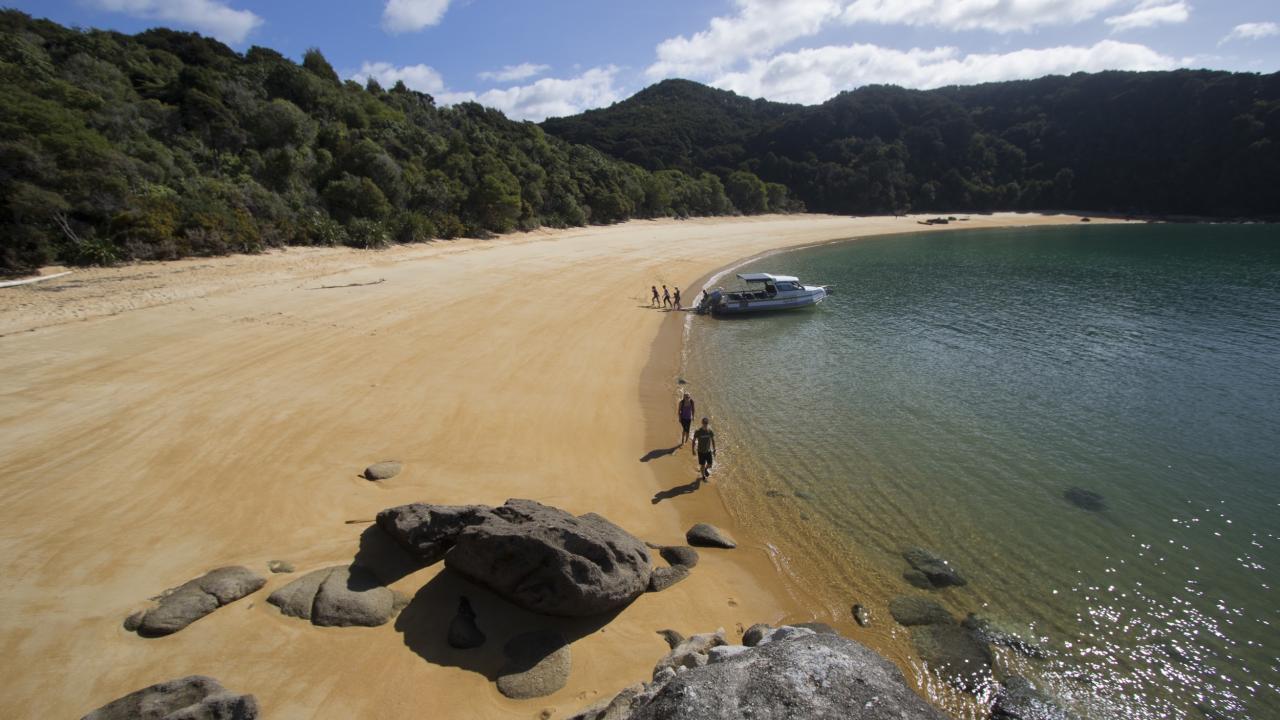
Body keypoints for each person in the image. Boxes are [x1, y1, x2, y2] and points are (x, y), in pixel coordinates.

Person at [692, 417, 716, 481]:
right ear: (702, 423)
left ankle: (705, 469)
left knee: (710, 464)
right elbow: (694, 440)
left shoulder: (710, 431)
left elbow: (713, 440)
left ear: (708, 423)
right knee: (702, 465)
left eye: (706, 423)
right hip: (701, 451)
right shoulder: (698, 431)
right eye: (704, 423)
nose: (705, 424)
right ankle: (703, 476)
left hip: (708, 451)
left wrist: (714, 449)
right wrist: (693, 450)